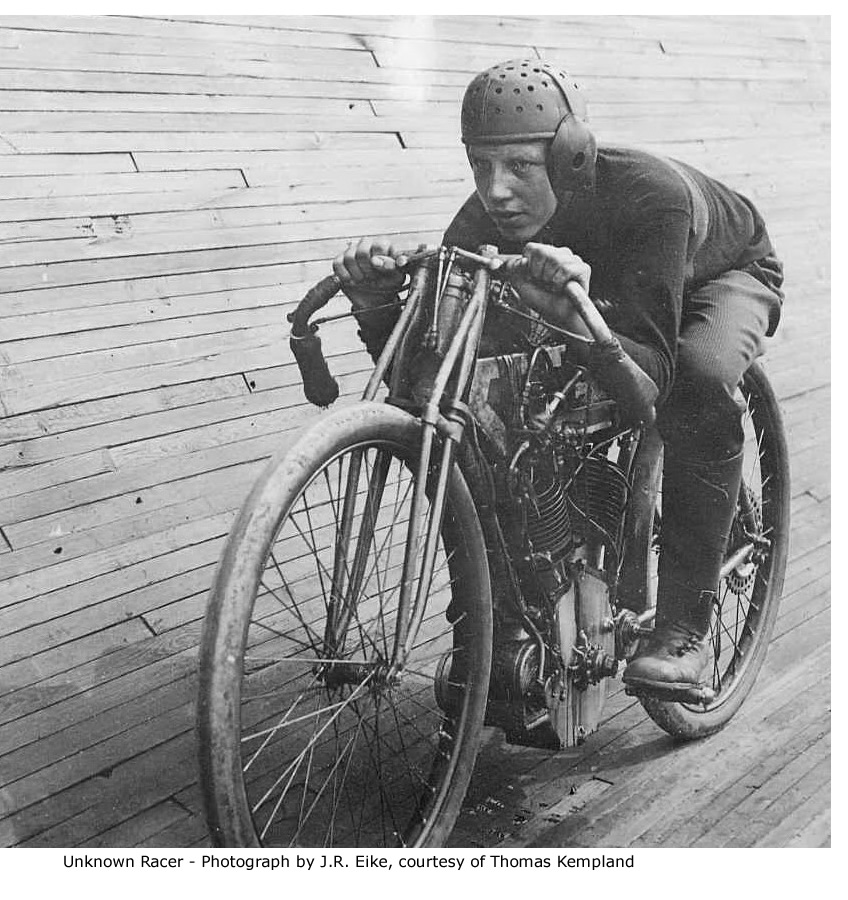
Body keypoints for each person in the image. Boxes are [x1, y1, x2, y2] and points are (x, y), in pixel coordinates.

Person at [332, 59, 784, 696]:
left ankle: (684, 632)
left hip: (716, 275)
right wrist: (375, 302)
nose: (497, 191)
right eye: (481, 166)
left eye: (519, 166)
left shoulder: (650, 197)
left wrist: (564, 311)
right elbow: (434, 379)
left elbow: (651, 382)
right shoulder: (480, 221)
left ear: (570, 157)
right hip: (608, 301)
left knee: (701, 381)